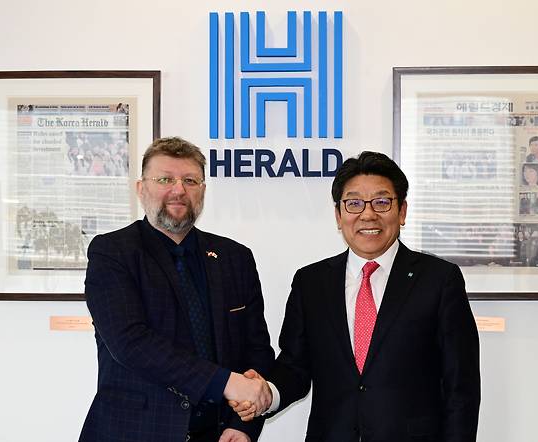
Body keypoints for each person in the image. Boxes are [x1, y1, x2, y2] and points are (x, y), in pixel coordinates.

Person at [233, 151, 480, 441]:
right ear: (339, 215)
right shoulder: (311, 282)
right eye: (354, 204)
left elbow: (460, 386)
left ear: (402, 211)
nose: (367, 214)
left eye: (382, 202)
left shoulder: (439, 280)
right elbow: (294, 367)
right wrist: (267, 394)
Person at [79, 137, 275, 442]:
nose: (178, 190)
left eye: (190, 180)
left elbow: (258, 351)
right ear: (141, 189)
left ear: (203, 191)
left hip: (221, 435)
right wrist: (224, 382)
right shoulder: (112, 252)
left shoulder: (235, 258)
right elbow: (130, 342)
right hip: (132, 432)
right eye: (165, 179)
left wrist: (243, 424)